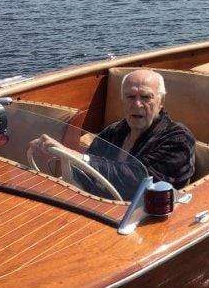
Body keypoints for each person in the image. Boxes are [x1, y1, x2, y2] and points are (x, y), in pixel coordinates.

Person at [29, 69, 195, 199]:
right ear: (122, 99)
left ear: (161, 102)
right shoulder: (114, 131)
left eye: (145, 97)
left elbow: (141, 180)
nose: (137, 104)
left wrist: (74, 155)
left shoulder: (178, 138)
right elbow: (87, 170)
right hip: (98, 206)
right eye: (130, 97)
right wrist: (62, 163)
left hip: (140, 219)